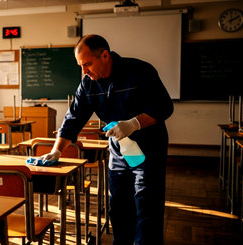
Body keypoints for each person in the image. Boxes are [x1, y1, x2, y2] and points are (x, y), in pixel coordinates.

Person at [41, 34, 173, 245]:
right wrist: (57, 150)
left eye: (87, 64)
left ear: (105, 55)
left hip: (148, 149)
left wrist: (134, 124)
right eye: (80, 66)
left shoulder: (140, 71)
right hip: (120, 151)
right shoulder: (88, 84)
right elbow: (73, 119)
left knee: (147, 207)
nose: (84, 71)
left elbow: (164, 107)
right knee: (119, 208)